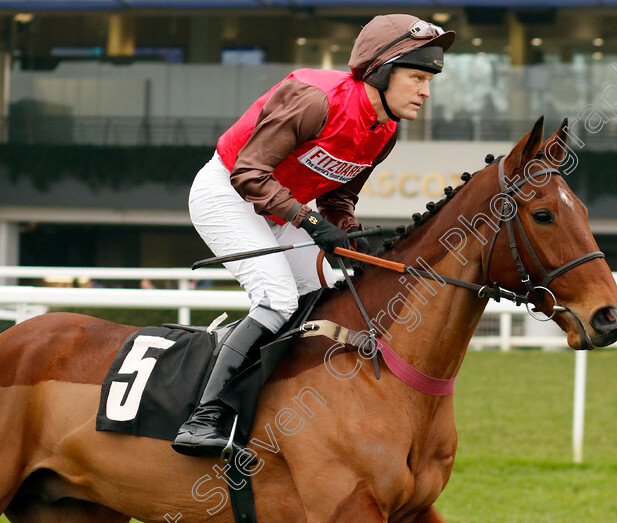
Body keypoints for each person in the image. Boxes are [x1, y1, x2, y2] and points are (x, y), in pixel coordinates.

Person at [173, 14, 455, 457]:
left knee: (326, 298)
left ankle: (280, 408)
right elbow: (248, 174)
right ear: (380, 72)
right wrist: (309, 224)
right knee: (278, 298)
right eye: (417, 77)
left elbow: (337, 201)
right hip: (226, 192)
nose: (425, 91)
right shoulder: (314, 100)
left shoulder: (384, 133)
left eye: (429, 80)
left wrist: (351, 236)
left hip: (282, 207)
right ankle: (203, 417)